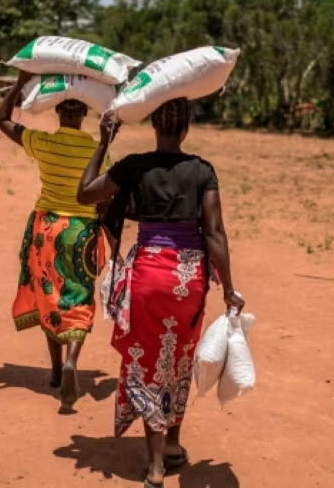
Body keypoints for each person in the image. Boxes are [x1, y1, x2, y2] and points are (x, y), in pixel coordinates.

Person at [76, 98, 244, 488]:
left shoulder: (134, 165)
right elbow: (215, 232)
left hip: (148, 275)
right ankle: (172, 444)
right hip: (189, 279)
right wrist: (230, 288)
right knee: (179, 356)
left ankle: (155, 466)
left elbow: (85, 193)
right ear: (186, 129)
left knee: (149, 361)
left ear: (154, 125)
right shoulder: (203, 171)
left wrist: (102, 143)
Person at [0, 69, 116, 411]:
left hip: (45, 228)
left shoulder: (43, 143)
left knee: (50, 294)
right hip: (81, 231)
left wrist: (19, 84)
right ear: (85, 115)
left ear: (59, 111)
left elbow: (2, 121)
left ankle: (54, 371)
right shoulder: (98, 152)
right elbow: (104, 200)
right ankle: (72, 360)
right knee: (77, 295)